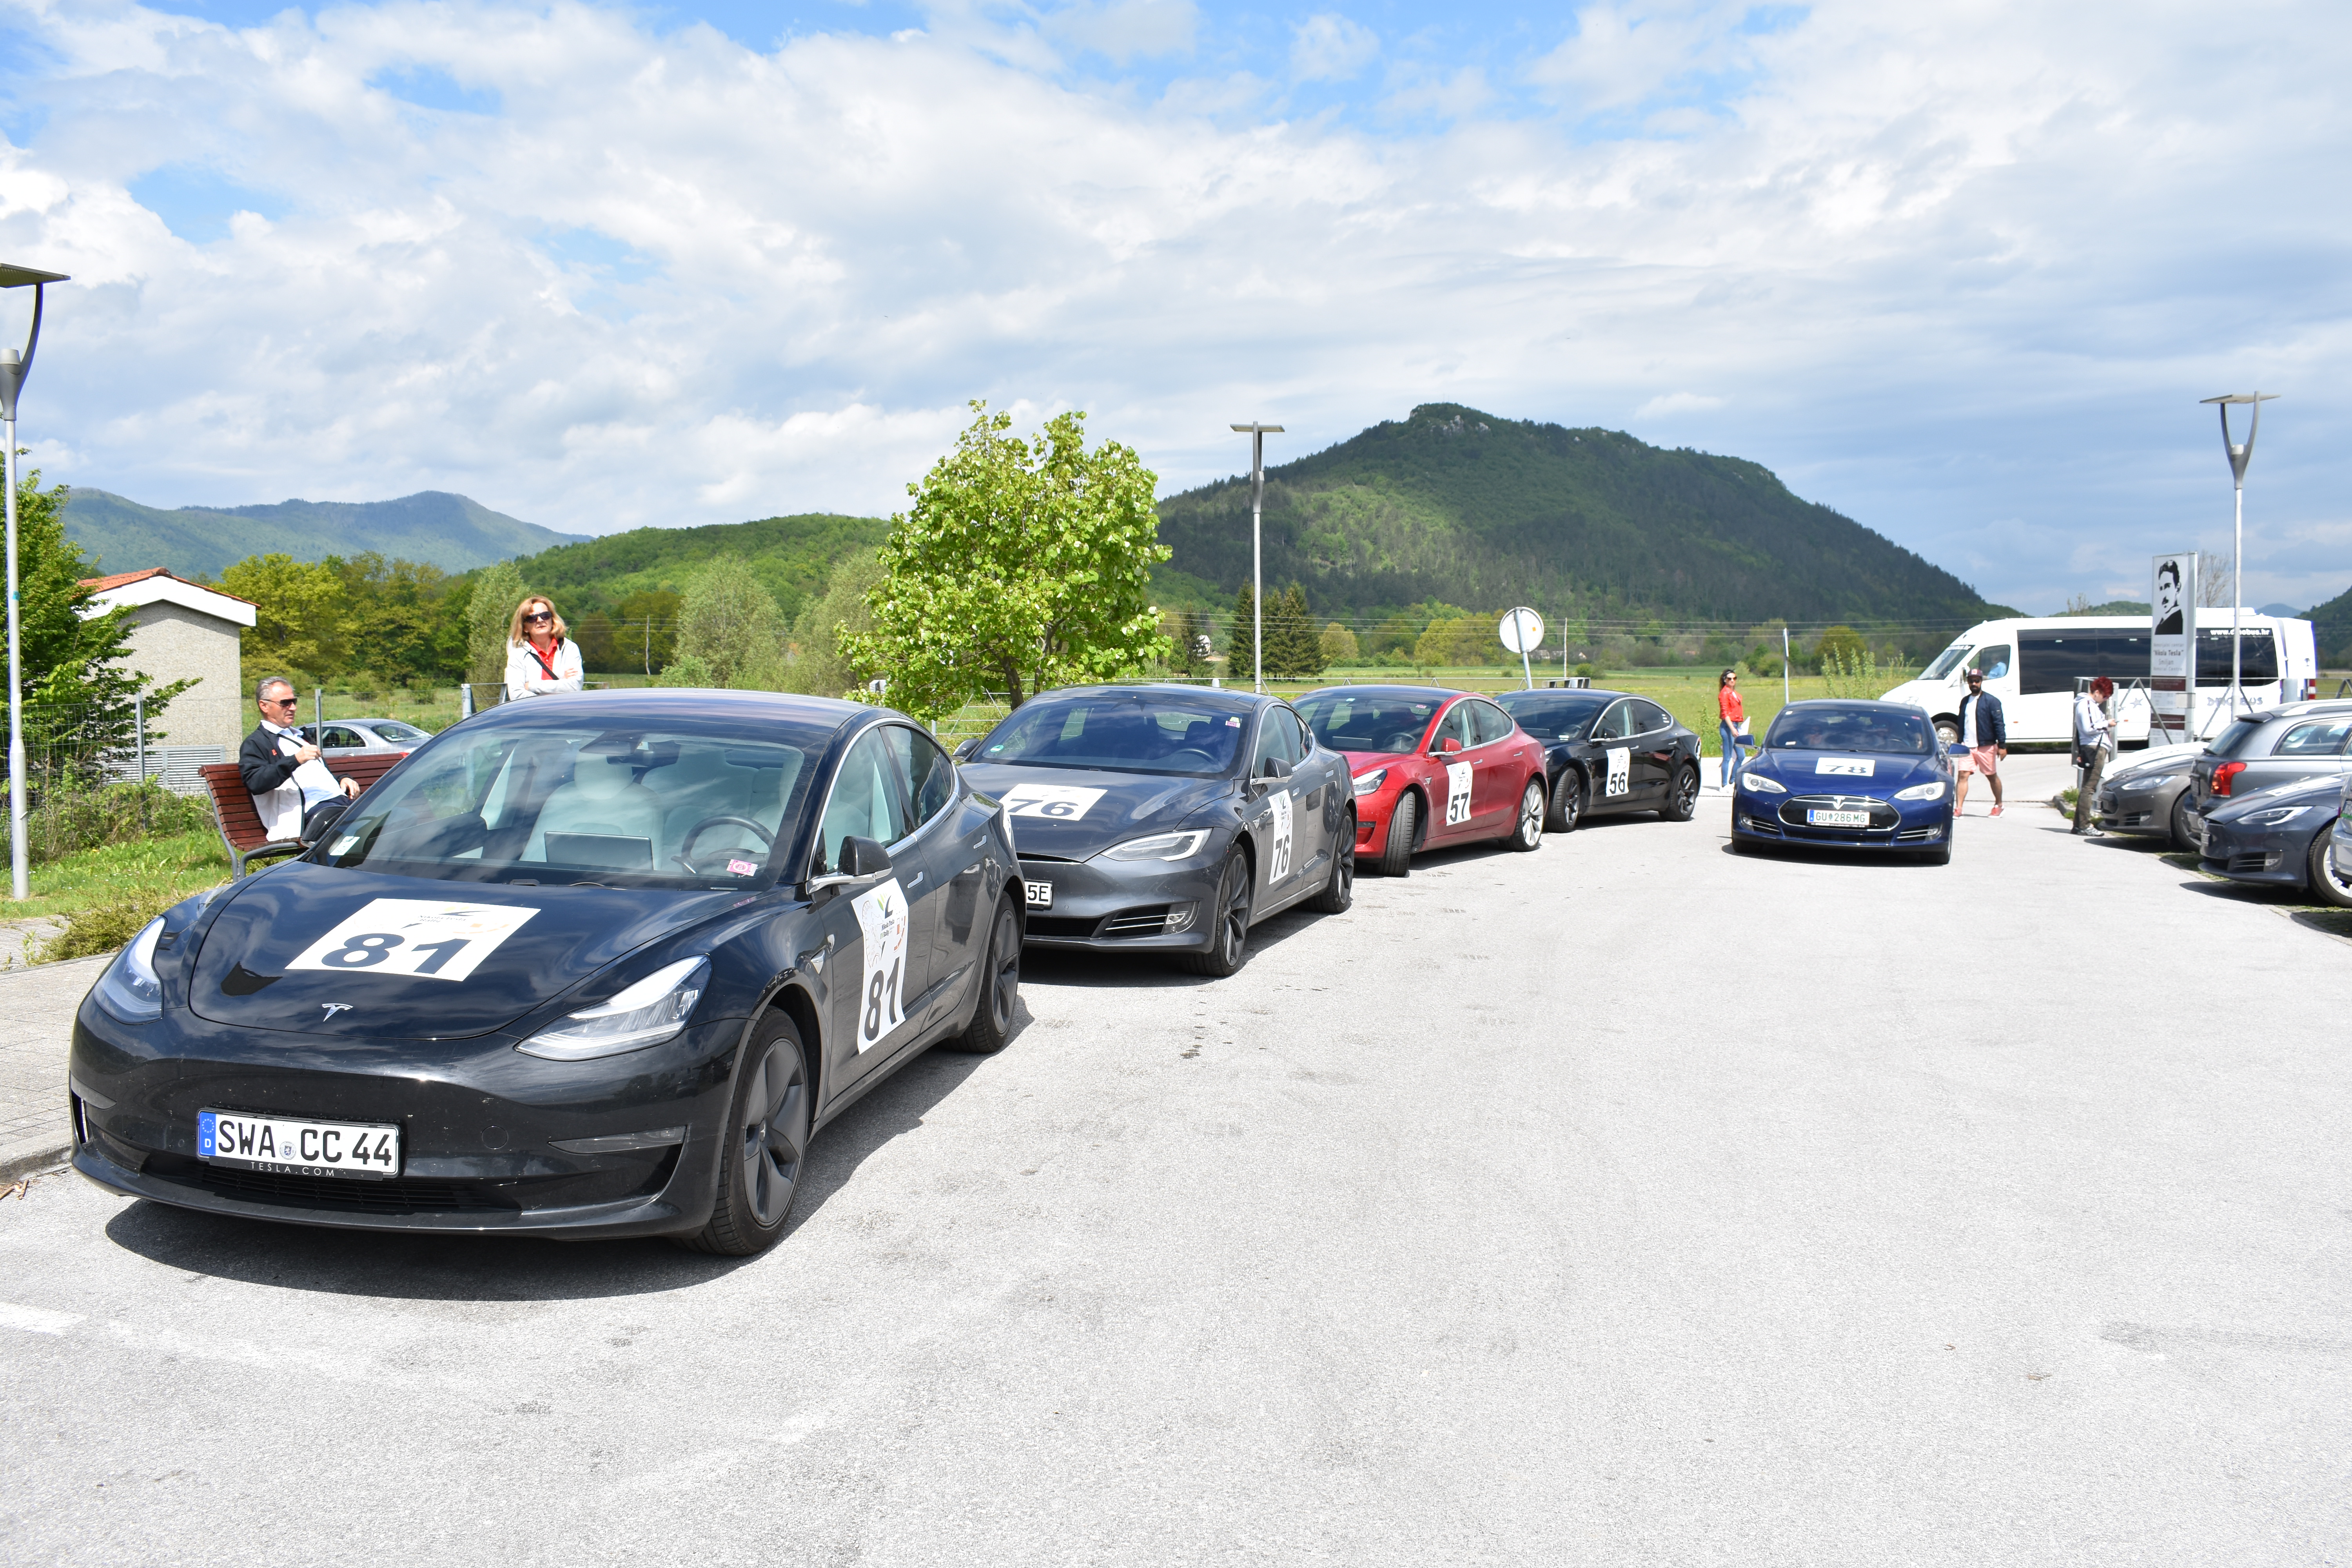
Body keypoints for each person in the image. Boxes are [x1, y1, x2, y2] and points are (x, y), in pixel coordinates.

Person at [239, 676, 361, 843]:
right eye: (285, 703)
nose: (293, 708)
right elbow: (256, 782)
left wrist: (343, 779)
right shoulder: (257, 743)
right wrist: (295, 760)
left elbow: (315, 775)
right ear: (264, 706)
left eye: (294, 702)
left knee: (395, 816)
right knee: (357, 826)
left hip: (338, 803)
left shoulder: (299, 736)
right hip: (310, 814)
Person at [503, 595, 584, 700]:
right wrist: (561, 683)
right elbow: (517, 696)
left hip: (565, 714)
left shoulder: (569, 649)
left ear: (552, 620)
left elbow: (574, 687)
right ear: (525, 628)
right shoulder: (518, 656)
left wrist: (531, 686)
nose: (540, 620)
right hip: (534, 715)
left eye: (545, 615)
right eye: (532, 618)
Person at [1952, 667, 2007, 817]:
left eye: (1977, 681)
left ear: (1981, 682)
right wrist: (1959, 743)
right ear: (1968, 683)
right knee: (1963, 775)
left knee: (1991, 776)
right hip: (1967, 747)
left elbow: (1999, 724)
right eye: (1971, 681)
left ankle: (1999, 805)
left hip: (1986, 745)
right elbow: (1962, 723)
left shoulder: (1992, 702)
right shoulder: (1965, 702)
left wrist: (2002, 745)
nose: (1974, 684)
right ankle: (1959, 809)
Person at [2072, 676, 2116, 836]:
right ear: (2097, 692)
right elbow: (2089, 727)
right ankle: (2084, 825)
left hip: (2094, 747)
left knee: (2087, 787)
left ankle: (2079, 824)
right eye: (2105, 696)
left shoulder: (2088, 704)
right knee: (2089, 788)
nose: (2105, 700)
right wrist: (2107, 724)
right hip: (2095, 748)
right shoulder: (2087, 704)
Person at [1716, 668, 1750, 786]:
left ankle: (1733, 779)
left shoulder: (1734, 693)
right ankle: (1724, 784)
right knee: (1727, 757)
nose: (1732, 681)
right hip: (1728, 727)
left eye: (1734, 678)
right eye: (1729, 679)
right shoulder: (1724, 693)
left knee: (1741, 756)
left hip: (1736, 725)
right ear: (1725, 680)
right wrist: (1732, 729)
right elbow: (1725, 713)